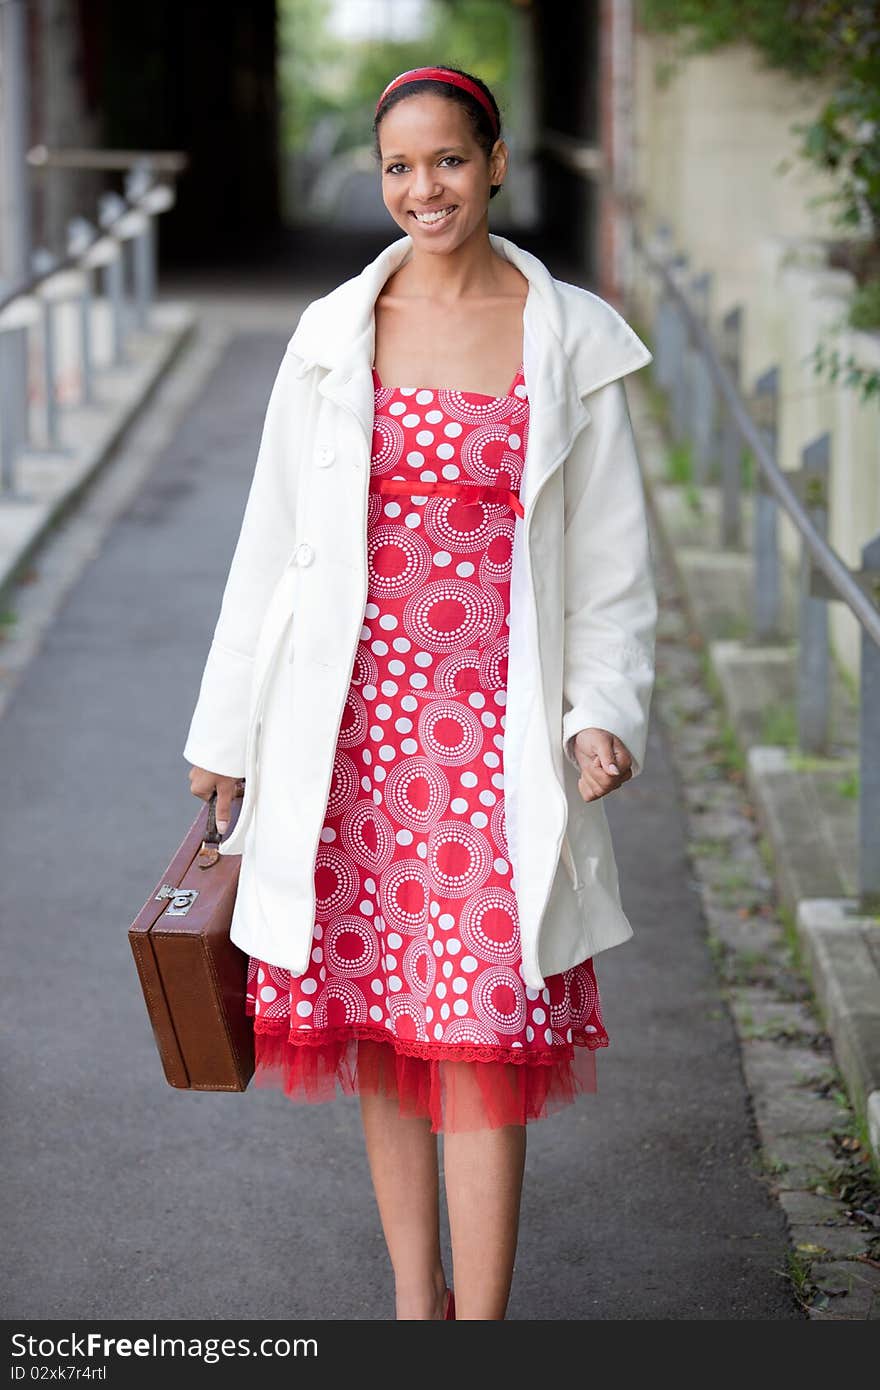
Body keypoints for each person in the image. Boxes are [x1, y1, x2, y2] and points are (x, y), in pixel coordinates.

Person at [184, 64, 657, 1321]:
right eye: (398, 167)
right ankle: (414, 1307)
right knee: (387, 1032)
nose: (422, 188)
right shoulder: (334, 335)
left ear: (495, 162)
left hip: (497, 736)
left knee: (480, 1031)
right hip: (351, 733)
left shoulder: (572, 340)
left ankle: (479, 1329)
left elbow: (612, 568)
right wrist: (227, 732)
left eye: (446, 161)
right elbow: (270, 540)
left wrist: (599, 708)